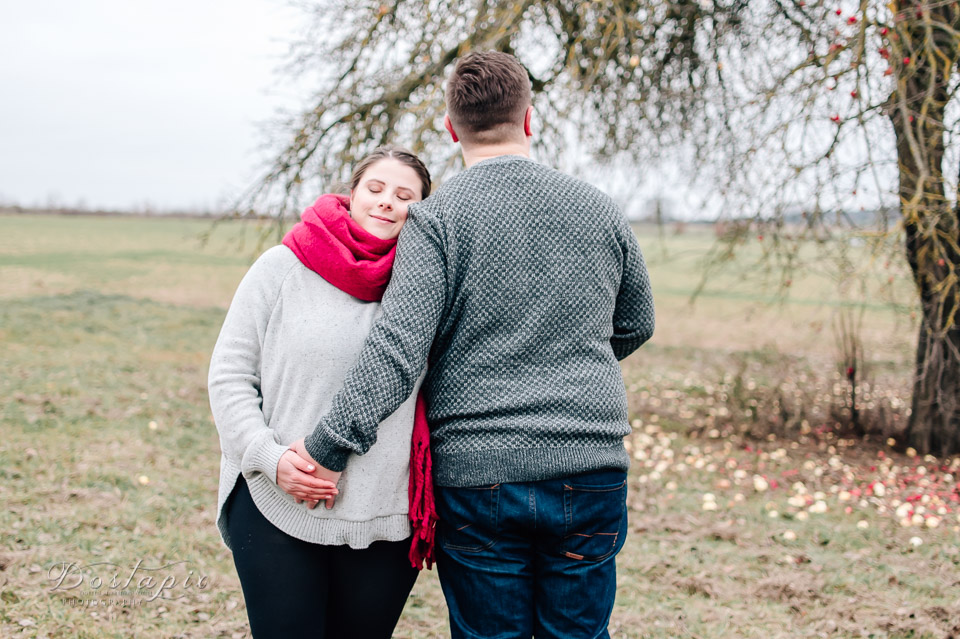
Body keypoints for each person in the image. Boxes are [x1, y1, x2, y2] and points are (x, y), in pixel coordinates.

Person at [290, 51, 655, 638]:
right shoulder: (599, 209)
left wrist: (327, 447)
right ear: (529, 119)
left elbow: (398, 349)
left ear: (451, 127)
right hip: (588, 468)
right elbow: (636, 323)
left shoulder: (437, 220)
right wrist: (565, 358)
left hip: (479, 474)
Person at [207, 146, 433, 639]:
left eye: (404, 196)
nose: (386, 203)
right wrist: (270, 458)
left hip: (384, 517)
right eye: (375, 189)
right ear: (351, 194)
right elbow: (229, 375)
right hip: (275, 499)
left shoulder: (426, 287)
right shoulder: (283, 266)